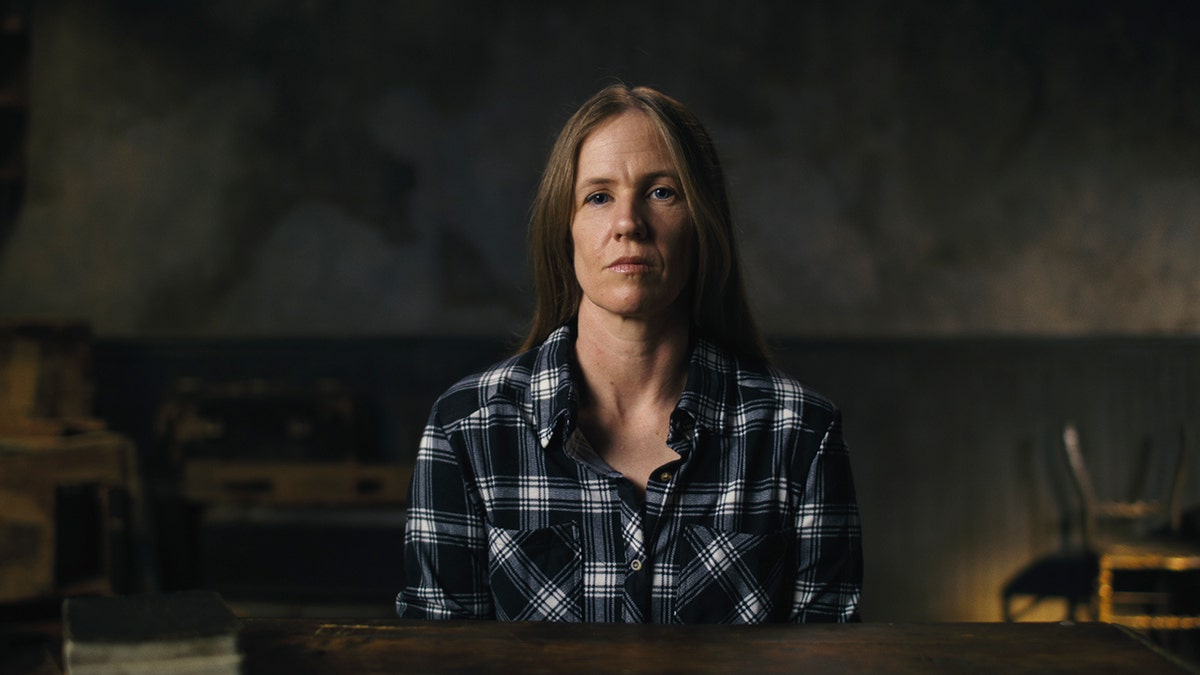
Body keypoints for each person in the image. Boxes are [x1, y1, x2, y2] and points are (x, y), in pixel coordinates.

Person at [395, 84, 862, 623]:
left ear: (703, 224)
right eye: (598, 196)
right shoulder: (467, 430)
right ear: (563, 230)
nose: (627, 224)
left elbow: (829, 653)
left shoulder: (800, 432)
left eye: (662, 192)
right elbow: (439, 657)